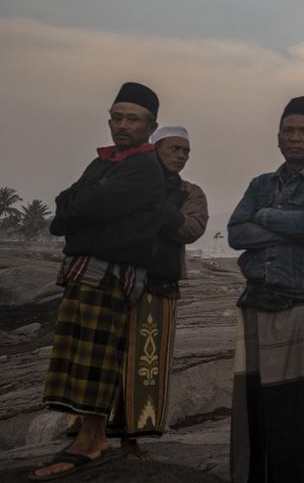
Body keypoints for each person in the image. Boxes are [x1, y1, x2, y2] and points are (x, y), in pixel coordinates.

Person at [32, 82, 166, 481]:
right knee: (79, 358)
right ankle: (89, 436)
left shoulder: (143, 167)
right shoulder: (104, 163)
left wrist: (79, 220)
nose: (122, 126)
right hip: (88, 274)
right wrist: (78, 215)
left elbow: (85, 207)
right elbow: (65, 206)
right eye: (117, 117)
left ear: (150, 126)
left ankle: (92, 441)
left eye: (132, 119)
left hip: (108, 278)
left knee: (95, 359)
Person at [227, 96, 304, 483]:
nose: (295, 137)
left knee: (301, 410)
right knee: (256, 408)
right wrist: (293, 227)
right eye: (288, 130)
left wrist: (262, 218)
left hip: (302, 303)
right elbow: (234, 232)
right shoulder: (259, 184)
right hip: (255, 303)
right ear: (278, 137)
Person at [110, 125, 209, 458]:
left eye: (186, 151)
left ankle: (130, 438)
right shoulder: (130, 179)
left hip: (159, 286)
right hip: (116, 281)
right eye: (174, 149)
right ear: (155, 148)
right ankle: (90, 434)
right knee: (107, 357)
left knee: (146, 364)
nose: (181, 156)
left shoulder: (191, 192)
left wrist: (154, 208)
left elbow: (192, 228)